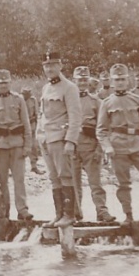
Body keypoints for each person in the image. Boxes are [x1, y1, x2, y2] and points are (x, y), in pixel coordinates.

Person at [96, 65, 139, 224]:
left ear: (128, 80)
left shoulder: (137, 99)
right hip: (117, 147)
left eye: (122, 79)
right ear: (112, 82)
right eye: (117, 80)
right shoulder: (106, 103)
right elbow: (100, 130)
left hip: (138, 145)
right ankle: (128, 216)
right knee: (123, 184)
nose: (120, 82)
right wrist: (107, 147)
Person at [35, 55, 82, 221]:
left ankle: (69, 215)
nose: (49, 69)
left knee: (65, 176)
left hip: (60, 138)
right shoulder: (45, 88)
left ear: (60, 65)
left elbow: (75, 117)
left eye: (53, 65)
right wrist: (38, 134)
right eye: (46, 66)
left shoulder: (69, 88)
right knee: (53, 177)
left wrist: (71, 141)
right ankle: (59, 214)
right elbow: (42, 114)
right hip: (45, 138)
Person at [0, 71, 33, 222]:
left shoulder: (19, 99)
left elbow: (26, 124)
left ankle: (22, 210)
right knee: (1, 181)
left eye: (6, 83)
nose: (3, 86)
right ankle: (3, 210)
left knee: (19, 180)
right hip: (0, 146)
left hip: (17, 145)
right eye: (0, 83)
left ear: (10, 83)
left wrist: (28, 146)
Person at [71, 67, 116, 223]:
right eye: (79, 80)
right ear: (74, 81)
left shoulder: (96, 102)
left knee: (96, 184)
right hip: (72, 148)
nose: (82, 83)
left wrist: (100, 149)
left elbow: (103, 127)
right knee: (73, 185)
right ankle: (75, 213)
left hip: (90, 147)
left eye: (85, 79)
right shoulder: (67, 101)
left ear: (88, 81)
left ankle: (102, 211)